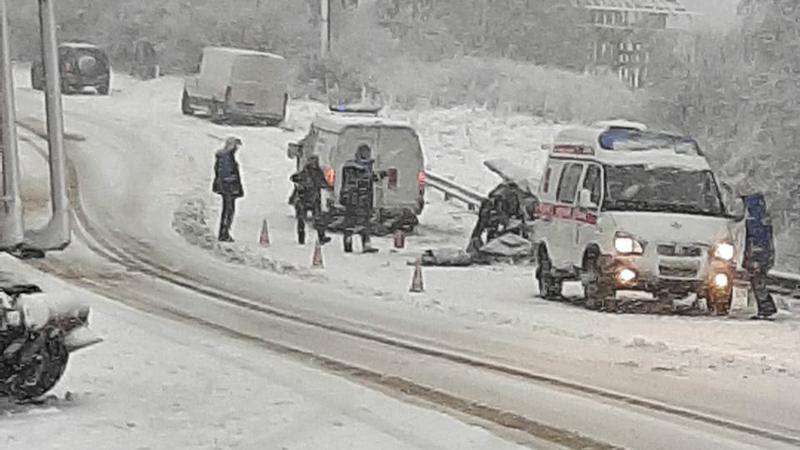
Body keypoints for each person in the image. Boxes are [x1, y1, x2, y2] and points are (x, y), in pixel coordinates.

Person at [339, 145, 387, 253]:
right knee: (351, 224)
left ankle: (365, 244)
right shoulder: (352, 168)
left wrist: (379, 175)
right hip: (354, 200)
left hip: (363, 201)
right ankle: (348, 245)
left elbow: (369, 177)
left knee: (365, 224)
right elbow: (361, 179)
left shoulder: (361, 167)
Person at [743, 193, 778, 319]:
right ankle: (765, 307)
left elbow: (754, 238)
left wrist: (753, 256)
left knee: (757, 282)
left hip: (758, 254)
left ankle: (766, 307)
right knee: (758, 281)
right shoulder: (763, 219)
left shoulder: (755, 220)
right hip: (763, 254)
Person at [290, 155, 331, 245]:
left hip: (314, 198)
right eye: (312, 161)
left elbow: (323, 183)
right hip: (303, 198)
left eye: (315, 161)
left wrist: (328, 187)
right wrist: (299, 181)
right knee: (301, 220)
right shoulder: (305, 172)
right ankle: (301, 238)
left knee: (318, 219)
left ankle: (321, 237)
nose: (314, 163)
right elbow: (294, 178)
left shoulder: (318, 172)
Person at [212, 137, 243, 242]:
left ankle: (224, 232)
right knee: (228, 210)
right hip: (228, 188)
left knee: (228, 210)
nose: (237, 149)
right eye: (236, 146)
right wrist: (232, 181)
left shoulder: (225, 157)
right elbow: (226, 173)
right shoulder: (227, 157)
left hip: (226, 187)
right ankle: (224, 232)